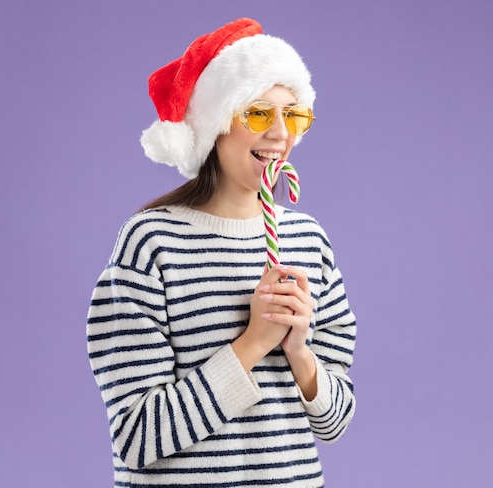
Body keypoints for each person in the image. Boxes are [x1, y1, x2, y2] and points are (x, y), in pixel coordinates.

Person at [87, 18, 357, 488]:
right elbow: (134, 437)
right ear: (216, 124)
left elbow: (335, 422)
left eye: (292, 115)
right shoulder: (151, 242)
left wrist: (298, 352)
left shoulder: (309, 240)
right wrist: (253, 343)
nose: (279, 133)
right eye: (257, 113)